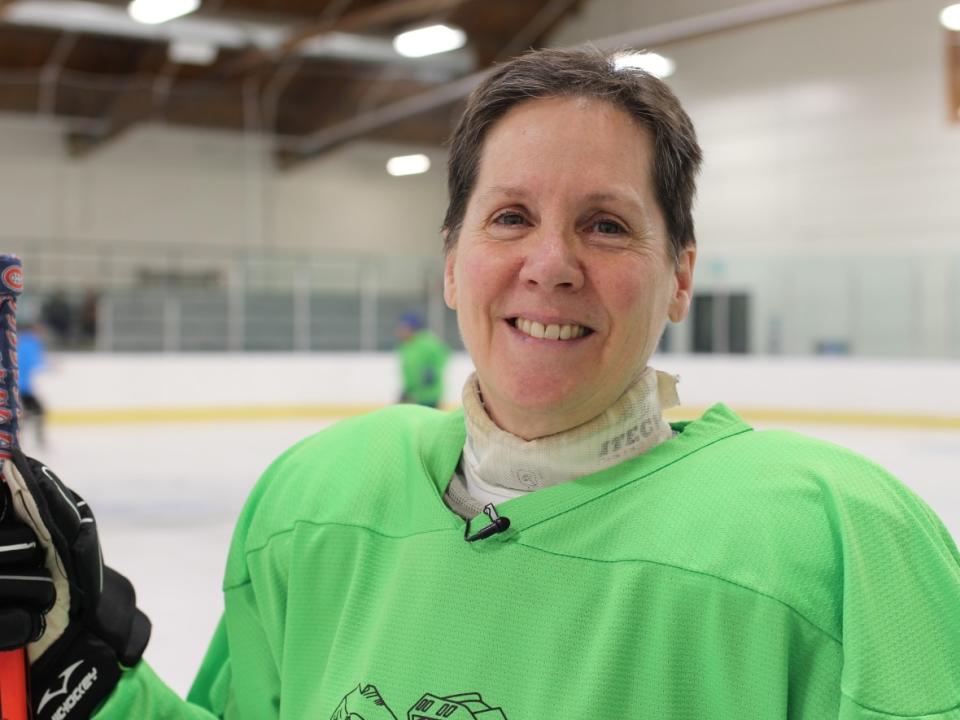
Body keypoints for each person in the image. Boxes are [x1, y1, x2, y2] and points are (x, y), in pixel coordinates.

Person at [0, 47, 958, 720]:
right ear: (451, 262)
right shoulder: (316, 500)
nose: (550, 263)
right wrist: (82, 681)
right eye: (509, 217)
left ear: (681, 276)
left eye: (608, 225)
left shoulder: (835, 546)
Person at [395, 312, 450, 408]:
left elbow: (444, 354)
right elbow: (409, 370)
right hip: (414, 394)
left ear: (412, 328)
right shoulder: (405, 346)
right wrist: (407, 389)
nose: (400, 331)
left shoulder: (426, 342)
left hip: (430, 394)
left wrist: (433, 371)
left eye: (404, 328)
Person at [17, 320, 47, 449]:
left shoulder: (19, 341)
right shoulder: (31, 342)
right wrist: (50, 366)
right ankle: (38, 440)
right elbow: (35, 361)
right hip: (22, 387)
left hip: (18, 385)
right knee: (37, 411)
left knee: (27, 413)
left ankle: (17, 439)